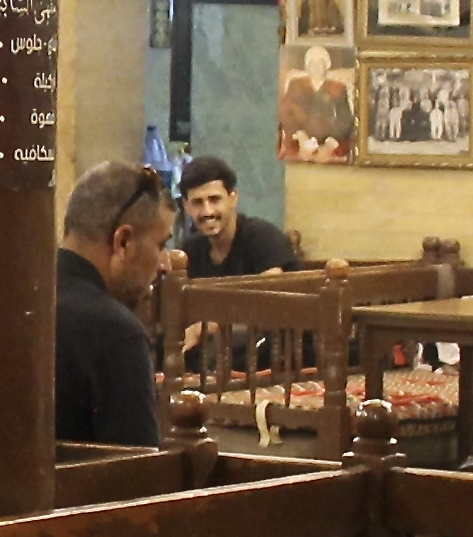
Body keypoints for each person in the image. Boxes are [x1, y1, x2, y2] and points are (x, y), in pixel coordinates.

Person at [53, 159, 171, 450]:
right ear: (123, 241)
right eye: (160, 245)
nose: (165, 263)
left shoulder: (16, 298)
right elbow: (136, 477)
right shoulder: (115, 333)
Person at [174, 156, 299, 280]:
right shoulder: (191, 250)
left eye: (215, 199)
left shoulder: (263, 238)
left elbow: (271, 296)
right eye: (197, 202)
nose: (207, 211)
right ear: (186, 206)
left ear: (233, 199)